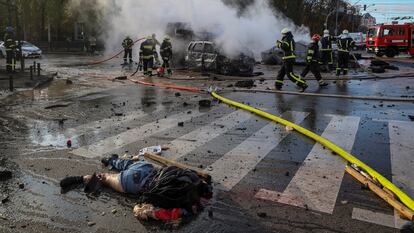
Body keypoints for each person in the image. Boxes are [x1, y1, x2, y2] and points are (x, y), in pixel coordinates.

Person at [59, 154, 213, 221]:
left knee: (129, 164)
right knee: (105, 178)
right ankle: (78, 179)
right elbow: (157, 213)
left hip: (149, 168)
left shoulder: (192, 178)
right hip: (135, 183)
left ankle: (111, 160)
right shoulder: (186, 204)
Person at [275, 28, 308, 92]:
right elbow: (287, 46)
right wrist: (281, 43)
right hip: (287, 58)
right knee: (281, 73)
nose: (282, 35)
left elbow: (285, 46)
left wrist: (279, 44)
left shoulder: (287, 38)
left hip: (288, 58)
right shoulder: (290, 38)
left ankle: (303, 84)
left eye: (283, 34)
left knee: (290, 75)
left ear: (285, 33)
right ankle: (278, 86)